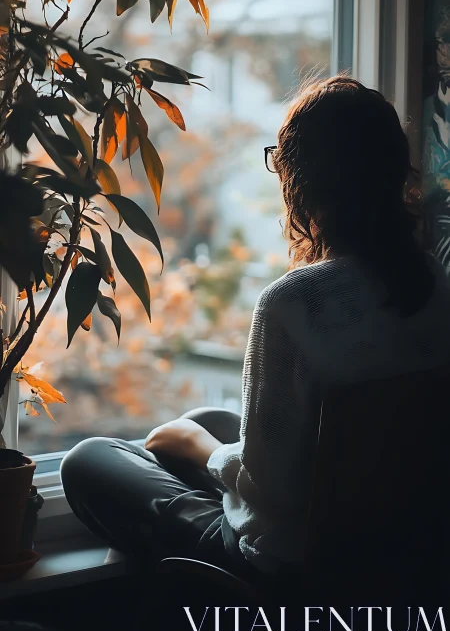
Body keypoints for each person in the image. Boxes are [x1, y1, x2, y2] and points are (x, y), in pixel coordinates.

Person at [61, 75, 450, 581]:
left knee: (90, 458)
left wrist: (195, 447)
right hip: (389, 545)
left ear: (302, 182)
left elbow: (275, 495)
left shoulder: (294, 303)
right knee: (210, 415)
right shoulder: (432, 279)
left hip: (286, 563)